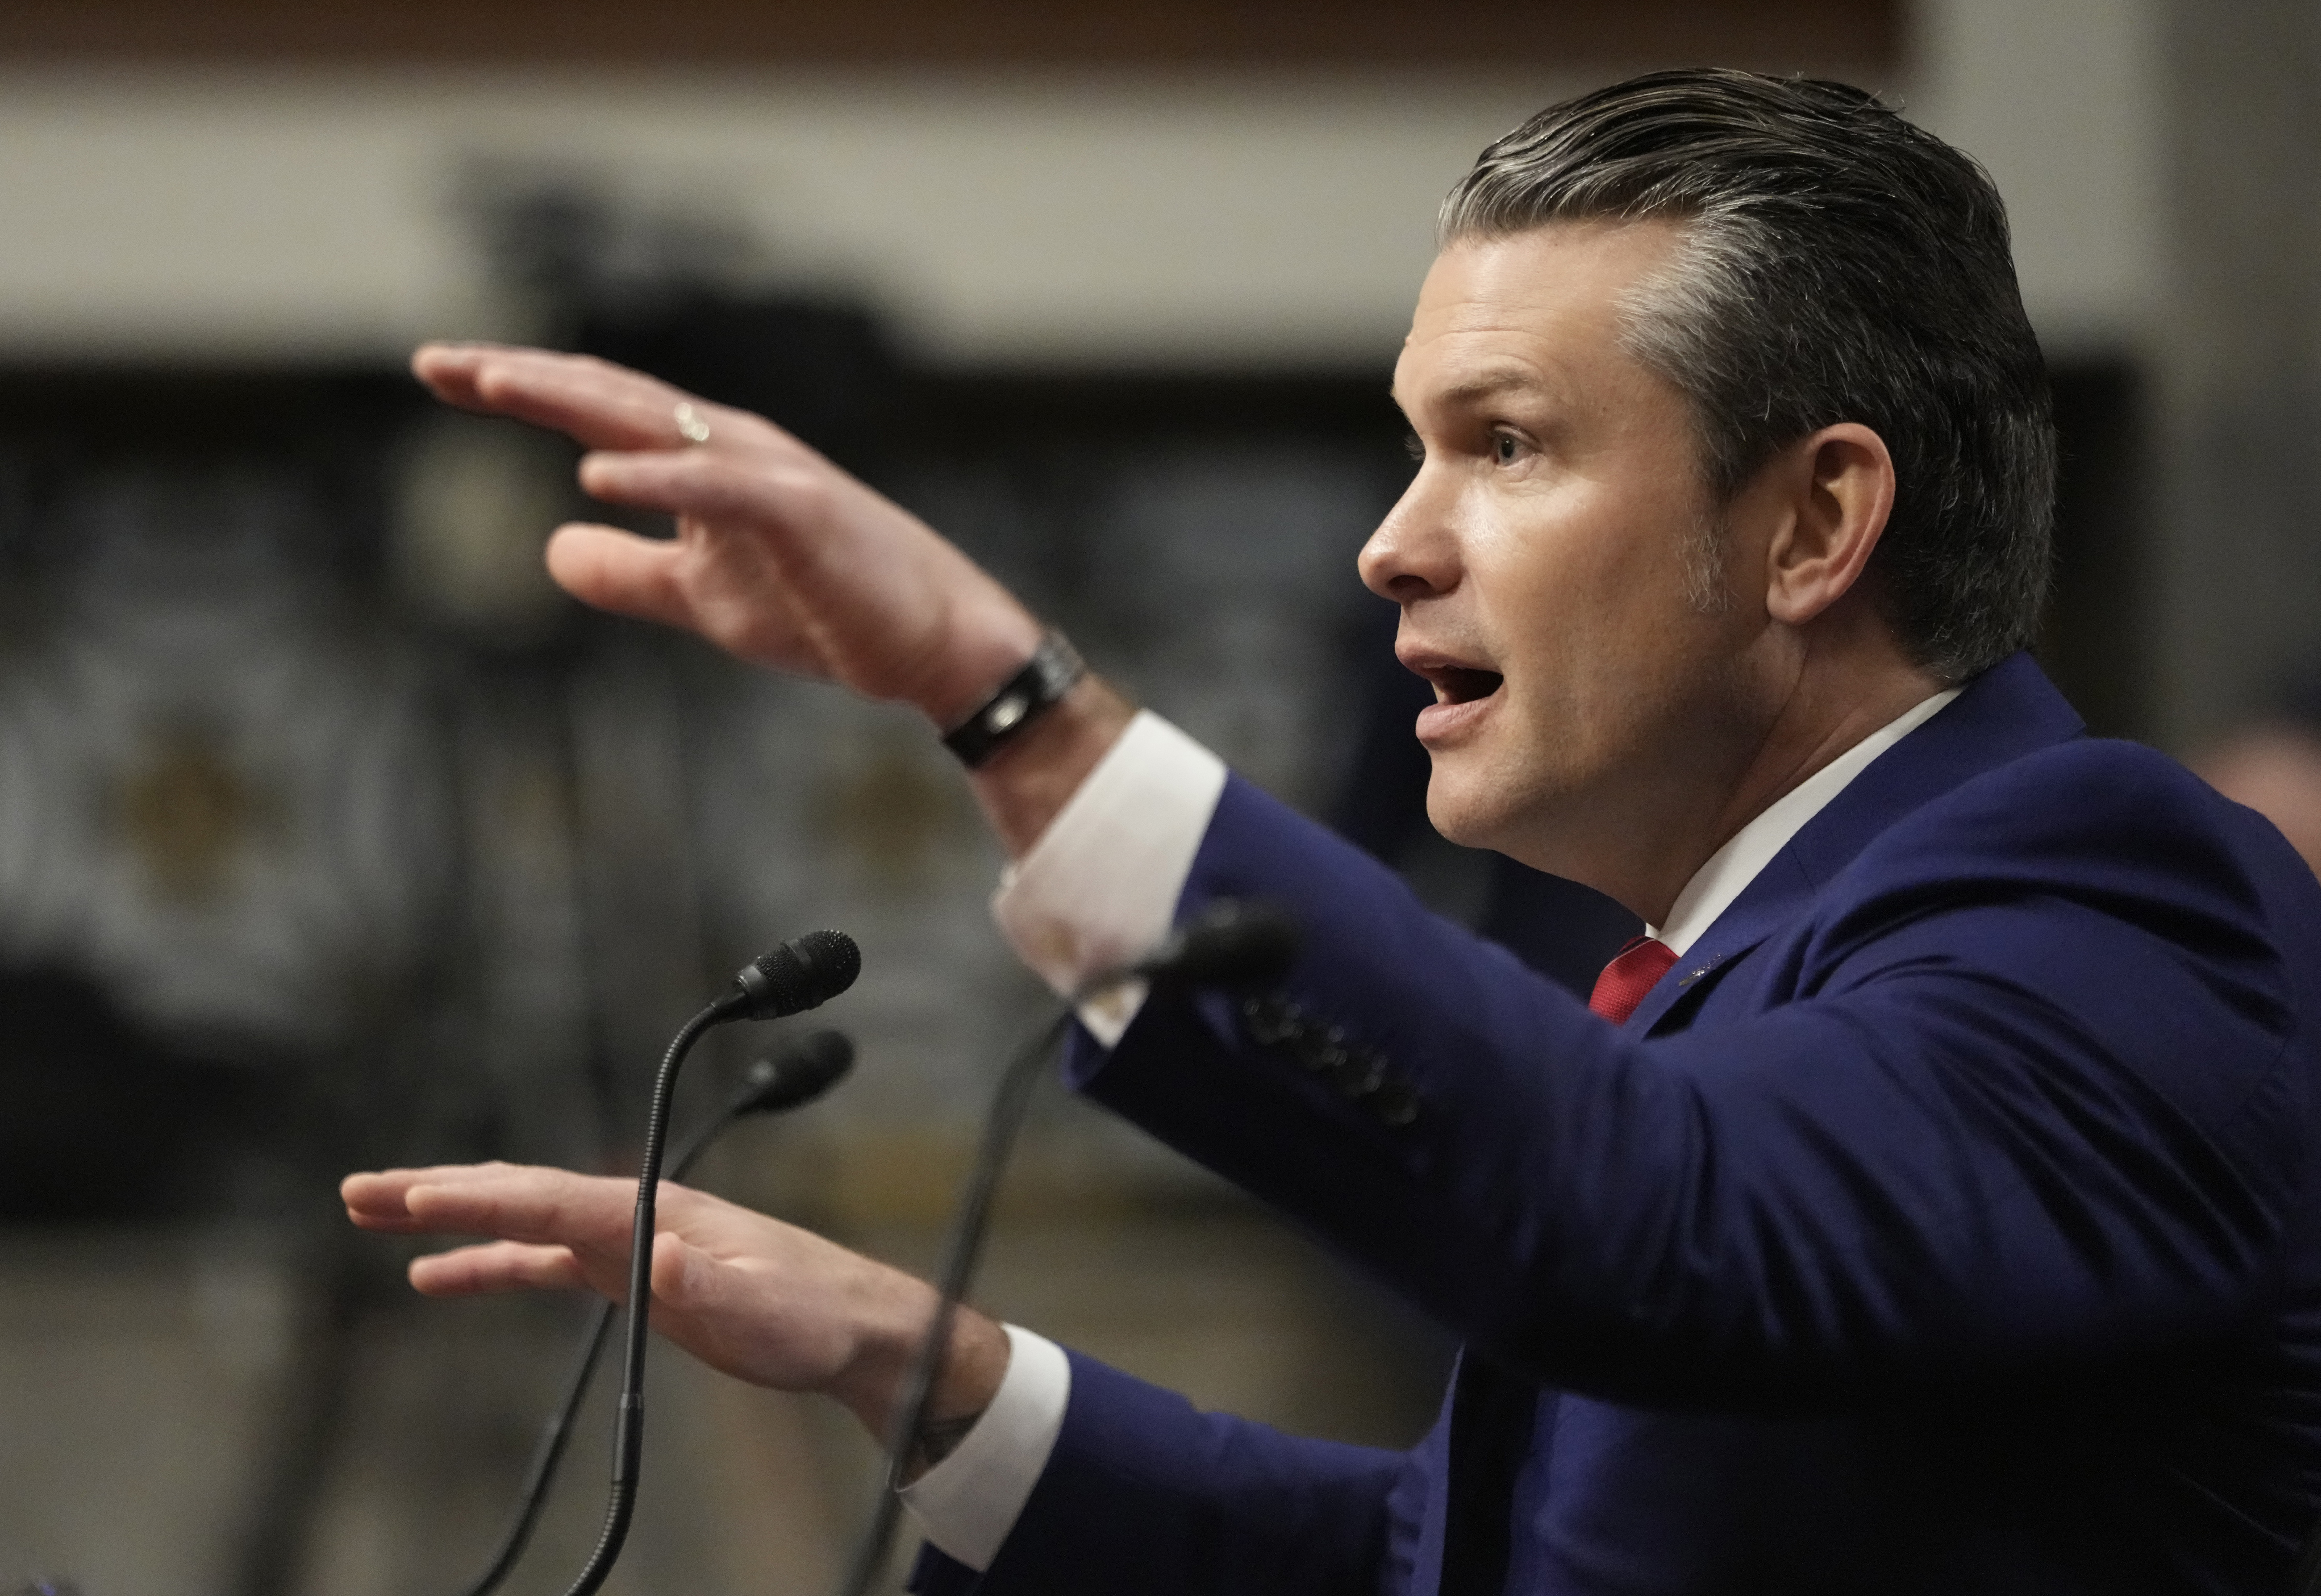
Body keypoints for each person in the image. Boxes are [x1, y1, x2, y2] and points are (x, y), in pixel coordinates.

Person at [342, 70, 2321, 1594]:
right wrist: (933, 1369)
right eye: (1413, 441)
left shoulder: (2117, 915)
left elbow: (1658, 1218)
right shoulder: (1745, 954)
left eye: (1506, 443)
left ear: (1810, 524)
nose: (1392, 540)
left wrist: (1005, 693)